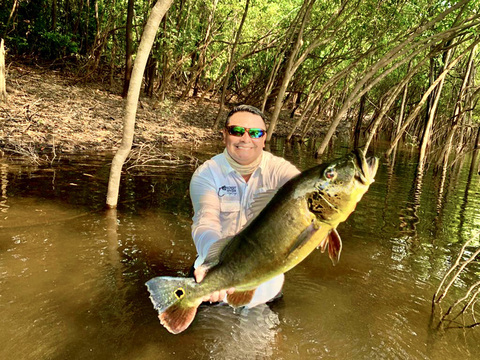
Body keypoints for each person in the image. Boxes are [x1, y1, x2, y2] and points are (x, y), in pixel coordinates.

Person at [189, 104, 301, 307]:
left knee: (271, 335)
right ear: (224, 135)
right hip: (217, 267)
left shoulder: (279, 170)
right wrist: (213, 265)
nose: (246, 139)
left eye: (256, 133)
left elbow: (304, 192)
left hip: (266, 278)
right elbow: (206, 221)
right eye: (237, 131)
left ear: (264, 139)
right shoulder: (207, 174)